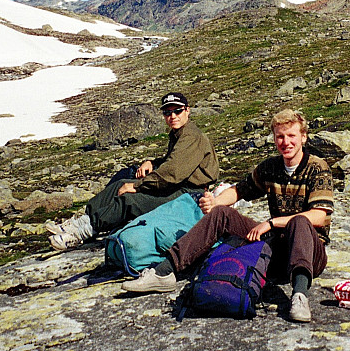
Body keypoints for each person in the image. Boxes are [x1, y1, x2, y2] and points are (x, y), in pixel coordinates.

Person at [122, 108, 333, 324]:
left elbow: (318, 216)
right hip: (276, 249)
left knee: (300, 220)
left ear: (303, 137)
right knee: (222, 214)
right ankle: (164, 272)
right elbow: (239, 190)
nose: (285, 142)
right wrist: (215, 202)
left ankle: (299, 295)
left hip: (310, 251)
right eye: (280, 136)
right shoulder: (271, 167)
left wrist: (271, 223)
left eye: (291, 136)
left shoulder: (317, 168)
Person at [46, 92, 220, 250]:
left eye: (177, 111)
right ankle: (83, 221)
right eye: (167, 113)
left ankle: (81, 233)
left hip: (191, 194)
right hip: (179, 186)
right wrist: (152, 162)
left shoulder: (191, 136)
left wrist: (138, 186)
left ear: (187, 111)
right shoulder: (180, 133)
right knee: (120, 185)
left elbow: (172, 173)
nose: (172, 116)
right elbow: (173, 161)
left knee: (130, 199)